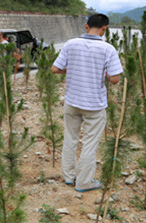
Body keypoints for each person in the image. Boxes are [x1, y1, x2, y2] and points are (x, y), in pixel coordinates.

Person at [51, 14, 123, 192]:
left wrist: (71, 69)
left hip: (72, 102)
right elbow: (115, 79)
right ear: (105, 28)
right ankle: (84, 183)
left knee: (70, 139)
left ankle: (69, 177)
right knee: (89, 144)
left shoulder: (70, 44)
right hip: (94, 105)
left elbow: (55, 69)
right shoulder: (108, 49)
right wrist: (105, 74)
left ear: (86, 26)